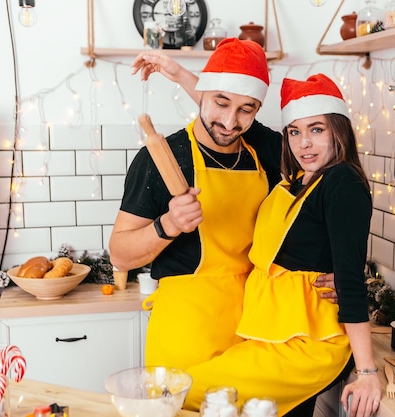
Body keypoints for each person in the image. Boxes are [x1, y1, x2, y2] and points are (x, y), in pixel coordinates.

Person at [110, 38, 334, 372]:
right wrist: (168, 225)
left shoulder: (271, 154)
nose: (230, 122)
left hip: (258, 326)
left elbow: (325, 208)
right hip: (185, 333)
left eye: (246, 109)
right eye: (221, 102)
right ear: (204, 95)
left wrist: (341, 275)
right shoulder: (161, 158)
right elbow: (119, 254)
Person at [179, 73, 381, 417]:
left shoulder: (342, 182)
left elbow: (349, 280)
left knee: (182, 390)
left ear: (339, 130)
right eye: (295, 131)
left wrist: (367, 373)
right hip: (271, 329)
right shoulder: (298, 176)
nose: (304, 143)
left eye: (316, 129)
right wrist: (174, 72)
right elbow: (232, 121)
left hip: (309, 342)